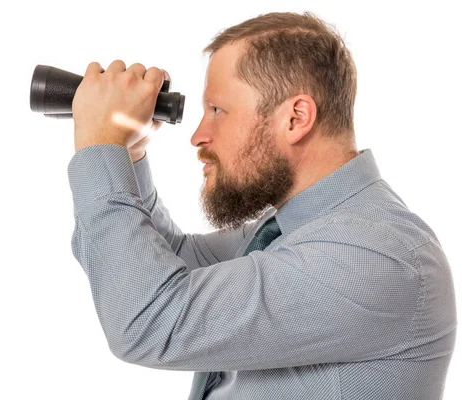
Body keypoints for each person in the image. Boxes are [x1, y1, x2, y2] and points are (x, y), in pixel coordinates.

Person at [67, 11, 457, 399]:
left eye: (217, 110)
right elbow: (165, 262)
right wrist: (128, 154)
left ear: (295, 118)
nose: (199, 136)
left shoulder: (374, 256)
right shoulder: (296, 227)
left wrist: (99, 146)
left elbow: (150, 320)